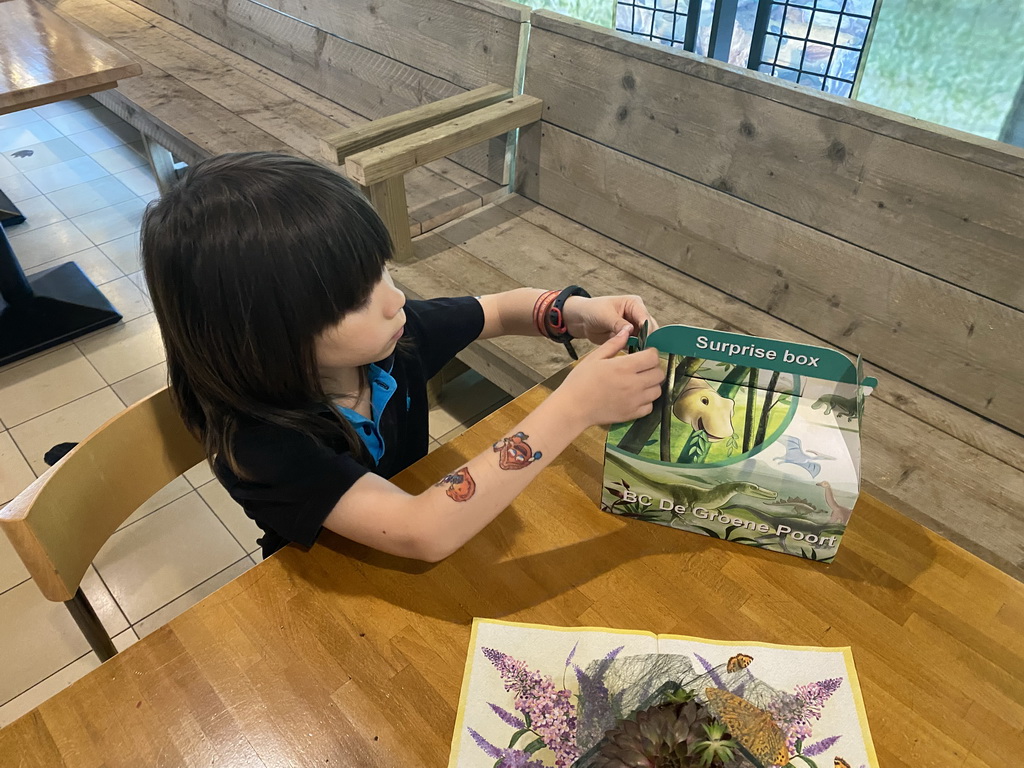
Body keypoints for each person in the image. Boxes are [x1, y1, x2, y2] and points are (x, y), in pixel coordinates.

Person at [142, 152, 664, 561]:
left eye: (381, 270)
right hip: (329, 586)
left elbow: (501, 310)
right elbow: (424, 531)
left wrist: (572, 313)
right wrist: (574, 407)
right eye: (354, 300)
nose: (394, 300)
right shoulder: (261, 444)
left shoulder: (391, 339)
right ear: (260, 336)